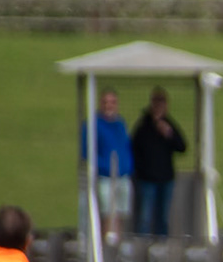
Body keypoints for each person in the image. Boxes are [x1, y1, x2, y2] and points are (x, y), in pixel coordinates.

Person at [130, 86, 188, 237]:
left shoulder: (169, 124)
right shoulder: (143, 126)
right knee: (145, 217)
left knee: (162, 217)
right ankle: (141, 243)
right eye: (156, 102)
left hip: (166, 178)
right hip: (147, 179)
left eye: (162, 103)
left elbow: (182, 147)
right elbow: (134, 148)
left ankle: (162, 244)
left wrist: (169, 133)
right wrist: (140, 170)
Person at [80, 88, 133, 241]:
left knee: (121, 212)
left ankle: (117, 243)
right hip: (105, 177)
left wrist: (128, 165)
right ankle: (105, 243)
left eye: (112, 102)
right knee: (107, 212)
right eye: (106, 102)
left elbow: (125, 147)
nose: (109, 105)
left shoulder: (120, 123)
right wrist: (102, 166)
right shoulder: (92, 124)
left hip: (123, 175)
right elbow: (87, 151)